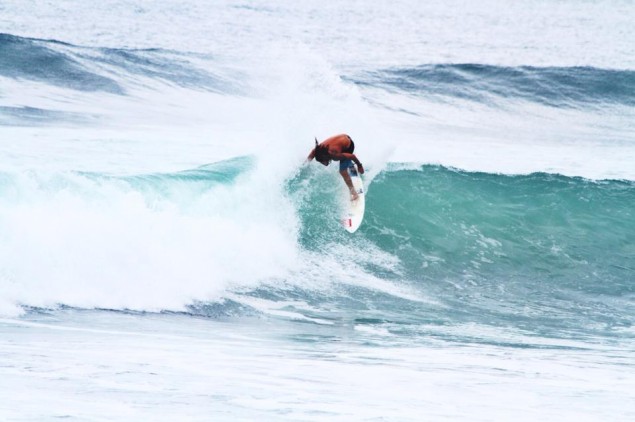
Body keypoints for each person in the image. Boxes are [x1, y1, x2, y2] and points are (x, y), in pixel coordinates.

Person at [307, 134, 364, 200]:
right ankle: (348, 162)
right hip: (343, 138)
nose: (324, 164)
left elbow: (352, 156)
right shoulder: (317, 151)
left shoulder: (335, 155)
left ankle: (354, 194)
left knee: (342, 171)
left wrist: (359, 166)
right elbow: (309, 159)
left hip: (349, 146)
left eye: (323, 161)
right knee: (344, 159)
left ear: (326, 157)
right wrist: (304, 166)